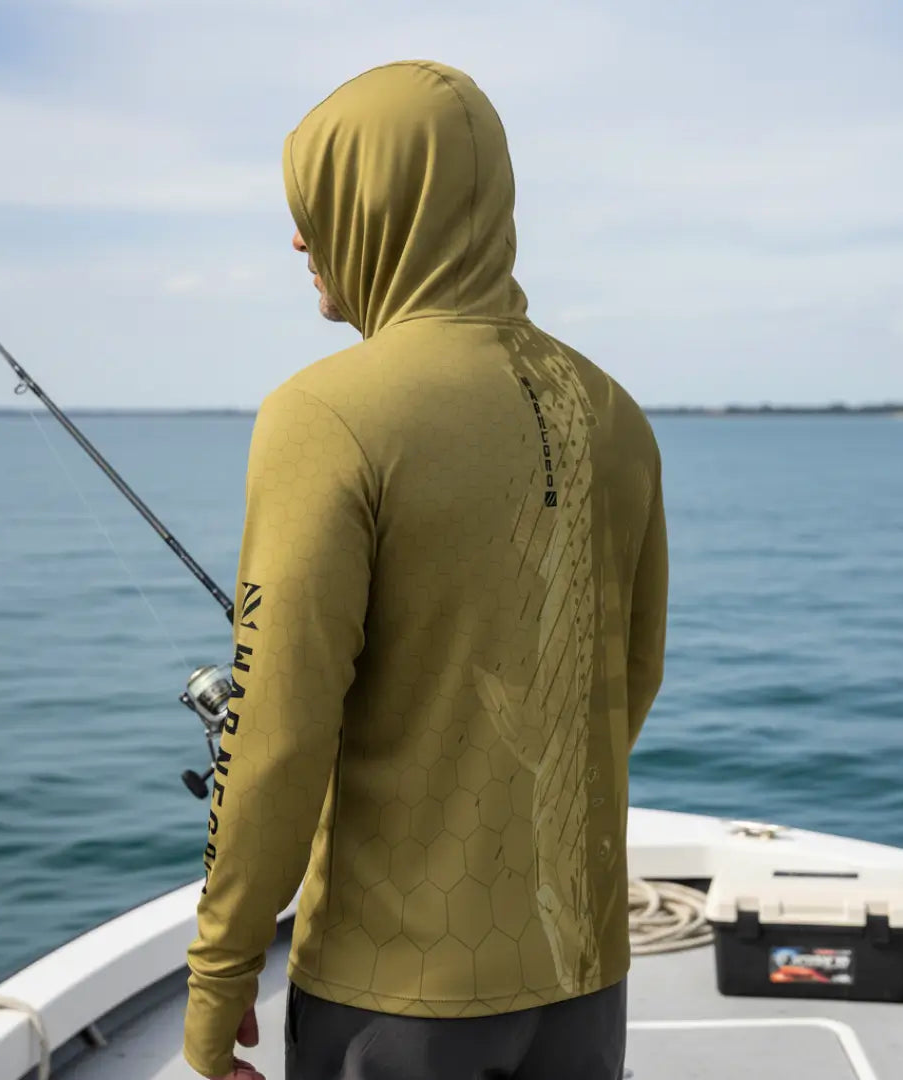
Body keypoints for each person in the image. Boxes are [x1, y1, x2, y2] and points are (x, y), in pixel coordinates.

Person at [182, 59, 668, 1080]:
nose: (300, 239)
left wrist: (218, 979)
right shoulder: (614, 411)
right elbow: (634, 678)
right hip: (583, 975)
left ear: (381, 207)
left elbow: (274, 735)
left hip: (391, 996)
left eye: (317, 206)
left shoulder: (323, 415)